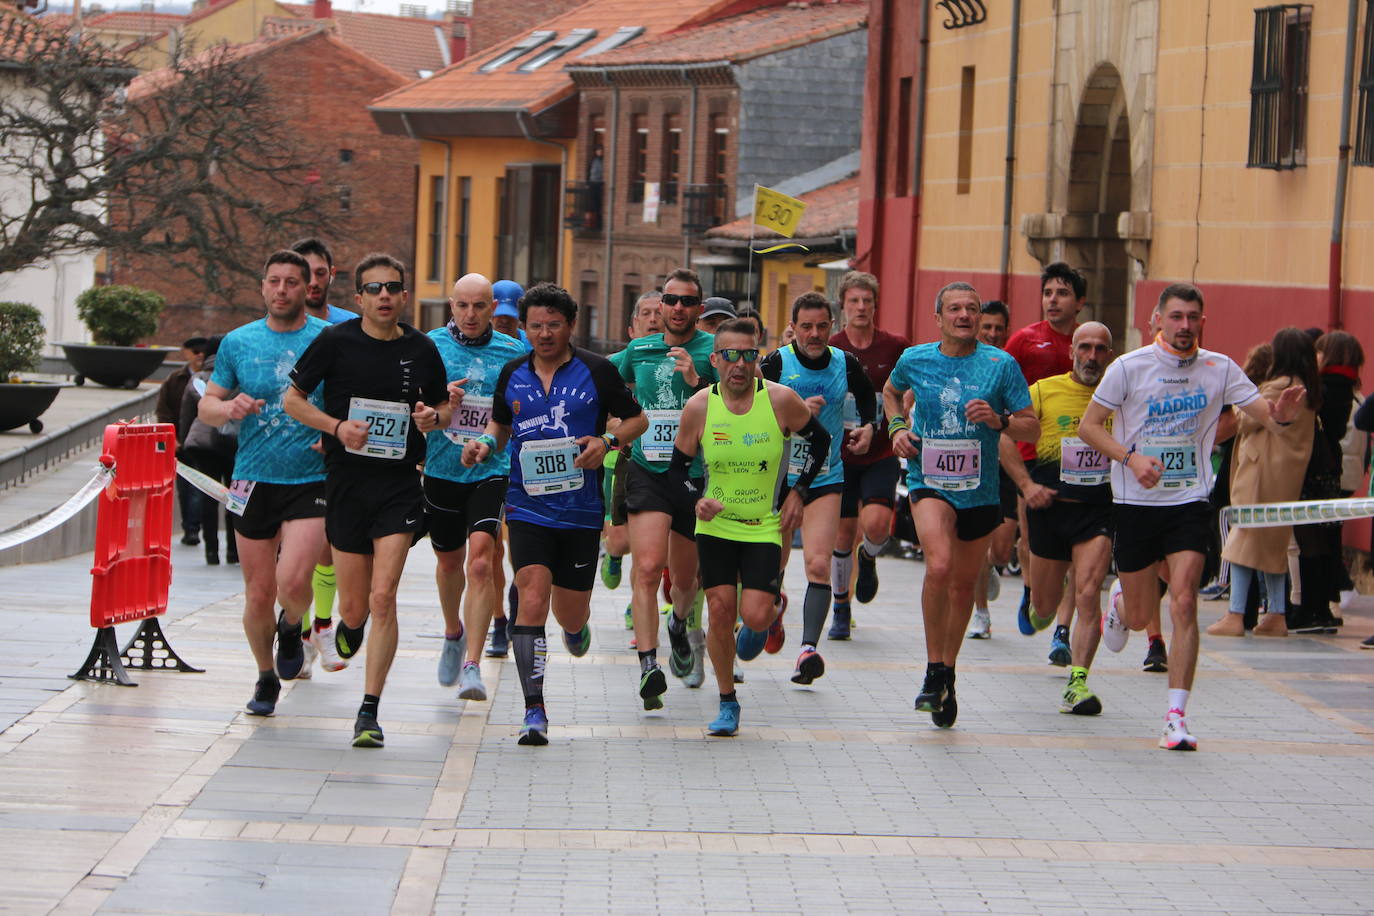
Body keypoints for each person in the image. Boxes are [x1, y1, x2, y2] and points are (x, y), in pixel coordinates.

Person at [1078, 283, 1307, 751]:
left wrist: (1279, 414)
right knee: (1143, 616)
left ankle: (1176, 717)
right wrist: (1130, 459)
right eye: (1176, 317)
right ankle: (1122, 604)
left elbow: (1261, 411)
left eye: (1193, 318)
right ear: (1158, 319)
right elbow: (1088, 426)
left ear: (1203, 321)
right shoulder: (1129, 367)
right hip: (1136, 503)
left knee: (1184, 601)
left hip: (1188, 501)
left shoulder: (1219, 368)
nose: (1185, 326)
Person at [461, 283, 646, 746]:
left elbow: (636, 420)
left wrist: (608, 442)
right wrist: (486, 443)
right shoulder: (512, 373)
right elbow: (501, 425)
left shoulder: (598, 371)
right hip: (527, 504)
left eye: (554, 325)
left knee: (569, 613)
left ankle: (577, 629)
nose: (544, 334)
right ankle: (534, 708)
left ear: (571, 326)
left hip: (581, 510)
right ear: (524, 328)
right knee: (531, 595)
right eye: (536, 325)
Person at [285, 252, 451, 748]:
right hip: (347, 485)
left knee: (384, 597)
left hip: (398, 485)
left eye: (392, 288)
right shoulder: (335, 341)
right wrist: (336, 427)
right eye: (374, 289)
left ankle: (369, 710)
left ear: (404, 296)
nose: (384, 296)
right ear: (357, 298)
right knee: (355, 606)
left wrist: (433, 420)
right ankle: (347, 627)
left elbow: (441, 406)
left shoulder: (421, 348)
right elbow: (292, 399)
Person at [884, 282, 1037, 727]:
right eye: (955, 308)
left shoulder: (1000, 364)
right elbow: (891, 393)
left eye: (972, 308)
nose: (965, 315)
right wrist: (896, 428)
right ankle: (933, 669)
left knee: (964, 583)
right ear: (939, 317)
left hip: (981, 489)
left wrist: (999, 419)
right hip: (928, 479)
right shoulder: (915, 359)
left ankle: (948, 669)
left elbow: (1031, 429)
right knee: (939, 566)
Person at [672, 318, 830, 735]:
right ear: (715, 360)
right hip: (717, 526)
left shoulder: (780, 400)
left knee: (754, 616)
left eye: (748, 355)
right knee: (721, 610)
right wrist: (696, 499)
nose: (739, 364)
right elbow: (677, 470)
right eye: (730, 355)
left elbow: (821, 441)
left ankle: (771, 613)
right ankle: (727, 701)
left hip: (763, 525)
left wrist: (798, 492)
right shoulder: (700, 406)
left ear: (757, 358)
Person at [197, 251, 330, 716]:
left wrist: (333, 433)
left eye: (291, 282)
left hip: (310, 477)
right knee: (257, 593)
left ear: (306, 288)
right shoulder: (238, 342)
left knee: (293, 580)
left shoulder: (326, 340)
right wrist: (228, 409)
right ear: (262, 287)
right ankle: (265, 675)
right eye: (273, 281)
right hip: (252, 477)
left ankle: (292, 624)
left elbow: (352, 400)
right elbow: (207, 404)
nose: (281, 290)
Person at [423, 273, 530, 702]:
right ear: (451, 306)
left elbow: (523, 406)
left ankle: (472, 664)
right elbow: (414, 404)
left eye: (479, 306)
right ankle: (453, 630)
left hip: (492, 467)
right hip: (441, 468)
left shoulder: (514, 350)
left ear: (493, 309)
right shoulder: (431, 346)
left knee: (482, 562)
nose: (470, 314)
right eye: (463, 306)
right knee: (450, 564)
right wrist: (437, 403)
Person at [998, 323, 1116, 713]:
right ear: (1071, 353)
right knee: (1046, 608)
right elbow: (1002, 436)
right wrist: (1026, 484)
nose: (1092, 356)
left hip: (1098, 510)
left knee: (1087, 592)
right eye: (1085, 347)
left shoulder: (1120, 395)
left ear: (1110, 355)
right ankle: (1038, 604)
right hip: (1050, 507)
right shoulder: (1045, 390)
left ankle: (1078, 683)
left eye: (1101, 349)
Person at [760, 292, 876, 684]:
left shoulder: (845, 362)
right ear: (792, 327)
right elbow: (749, 411)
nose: (814, 334)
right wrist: (791, 414)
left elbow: (866, 400)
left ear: (833, 326)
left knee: (818, 564)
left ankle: (808, 650)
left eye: (822, 326)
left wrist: (866, 427)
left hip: (825, 476)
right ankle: (772, 610)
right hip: (777, 479)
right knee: (772, 565)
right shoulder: (776, 362)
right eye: (806, 327)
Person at [618, 269, 717, 704]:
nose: (678, 308)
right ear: (661, 306)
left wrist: (699, 383)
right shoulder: (639, 350)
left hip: (694, 476)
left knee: (685, 579)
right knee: (645, 568)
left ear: (699, 308)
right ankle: (647, 665)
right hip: (649, 471)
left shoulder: (716, 350)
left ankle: (679, 622)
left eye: (687, 301)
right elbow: (607, 386)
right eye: (671, 300)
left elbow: (741, 403)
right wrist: (612, 424)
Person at [1207, 328, 1318, 638]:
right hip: (1285, 475)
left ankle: (1236, 612)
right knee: (1273, 544)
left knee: (1243, 539)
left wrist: (1239, 401)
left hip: (1261, 471)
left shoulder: (1279, 387)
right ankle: (1275, 614)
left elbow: (1245, 418)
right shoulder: (1308, 387)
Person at [1005, 264, 1086, 637]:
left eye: (1063, 293)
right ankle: (1030, 589)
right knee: (1029, 534)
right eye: (1048, 293)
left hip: (1076, 452)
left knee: (1074, 541)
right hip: (1029, 448)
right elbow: (1002, 381)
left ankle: (1063, 630)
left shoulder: (1087, 344)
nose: (1053, 300)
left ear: (1080, 302)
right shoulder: (1024, 340)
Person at [828, 271, 910, 638]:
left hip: (880, 452)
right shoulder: (830, 347)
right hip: (840, 456)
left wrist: (902, 411)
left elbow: (908, 389)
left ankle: (870, 556)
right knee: (842, 535)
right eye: (854, 301)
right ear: (843, 306)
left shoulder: (894, 347)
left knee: (876, 525)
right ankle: (841, 607)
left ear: (875, 306)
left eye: (867, 301)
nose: (861, 307)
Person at [290, 237, 354, 676]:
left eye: (319, 272)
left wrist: (334, 431)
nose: (313, 282)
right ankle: (295, 631)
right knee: (292, 560)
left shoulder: (350, 327)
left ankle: (323, 625)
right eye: (304, 274)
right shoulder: (277, 328)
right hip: (287, 457)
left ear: (331, 274)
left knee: (328, 545)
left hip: (335, 452)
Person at [602, 291, 664, 625]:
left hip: (666, 465)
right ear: (632, 327)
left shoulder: (675, 361)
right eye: (645, 313)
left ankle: (638, 600)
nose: (653, 319)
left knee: (651, 548)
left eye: (659, 312)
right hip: (623, 458)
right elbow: (601, 414)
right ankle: (611, 553)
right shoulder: (617, 364)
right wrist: (622, 427)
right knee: (623, 541)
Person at [968, 302, 1016, 638]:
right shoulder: (966, 364)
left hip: (1007, 466)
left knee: (999, 551)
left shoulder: (1011, 366)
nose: (994, 334)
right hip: (973, 466)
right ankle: (981, 614)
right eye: (988, 328)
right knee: (979, 547)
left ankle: (987, 568)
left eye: (1000, 329)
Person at [179, 336, 239, 567]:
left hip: (202, 446)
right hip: (234, 444)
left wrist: (184, 443)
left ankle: (211, 552)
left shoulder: (199, 378)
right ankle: (233, 552)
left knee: (208, 496)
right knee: (235, 499)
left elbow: (186, 415)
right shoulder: (238, 375)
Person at [159, 336, 208, 546]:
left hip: (204, 443)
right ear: (186, 353)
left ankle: (193, 529)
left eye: (202, 351)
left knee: (198, 488)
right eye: (194, 351)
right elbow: (164, 410)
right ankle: (189, 526)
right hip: (180, 442)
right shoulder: (175, 380)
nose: (199, 355)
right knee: (184, 488)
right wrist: (172, 438)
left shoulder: (214, 379)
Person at [492, 280, 532, 350]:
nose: (504, 320)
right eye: (499, 315)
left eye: (510, 316)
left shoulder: (532, 345)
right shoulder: (476, 347)